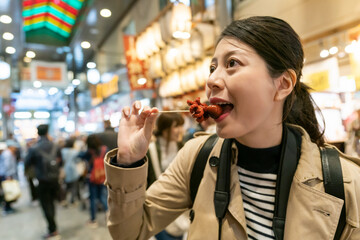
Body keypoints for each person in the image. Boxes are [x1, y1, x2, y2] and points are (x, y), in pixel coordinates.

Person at [104, 16, 360, 239]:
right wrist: (128, 163)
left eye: (232, 63)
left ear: (283, 84)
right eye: (213, 67)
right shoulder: (197, 158)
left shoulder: (345, 183)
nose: (212, 80)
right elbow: (129, 232)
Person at [146, 113, 189, 240]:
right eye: (176, 126)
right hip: (159, 209)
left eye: (181, 126)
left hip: (181, 208)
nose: (180, 130)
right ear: (165, 129)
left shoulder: (184, 147)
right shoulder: (151, 150)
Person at [25, 124, 62, 239]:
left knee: (46, 205)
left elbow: (27, 164)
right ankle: (53, 227)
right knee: (52, 203)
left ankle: (53, 229)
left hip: (42, 180)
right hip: (55, 179)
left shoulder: (34, 148)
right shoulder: (55, 146)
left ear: (38, 133)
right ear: (47, 132)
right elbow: (61, 161)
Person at [79, 134, 108, 228]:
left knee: (93, 198)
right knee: (104, 196)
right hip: (103, 176)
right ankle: (109, 216)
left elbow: (79, 155)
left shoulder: (89, 152)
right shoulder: (105, 149)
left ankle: (93, 220)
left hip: (92, 177)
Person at [60, 137, 81, 206]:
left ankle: (64, 199)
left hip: (65, 169)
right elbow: (78, 160)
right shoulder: (74, 151)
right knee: (74, 186)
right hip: (73, 169)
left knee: (66, 186)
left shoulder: (62, 151)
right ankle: (72, 200)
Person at [0, 140, 19, 215]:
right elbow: (7, 165)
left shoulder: (7, 153)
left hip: (6, 174)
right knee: (7, 191)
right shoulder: (7, 154)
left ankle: (8, 206)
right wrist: (8, 175)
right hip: (6, 175)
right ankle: (7, 208)